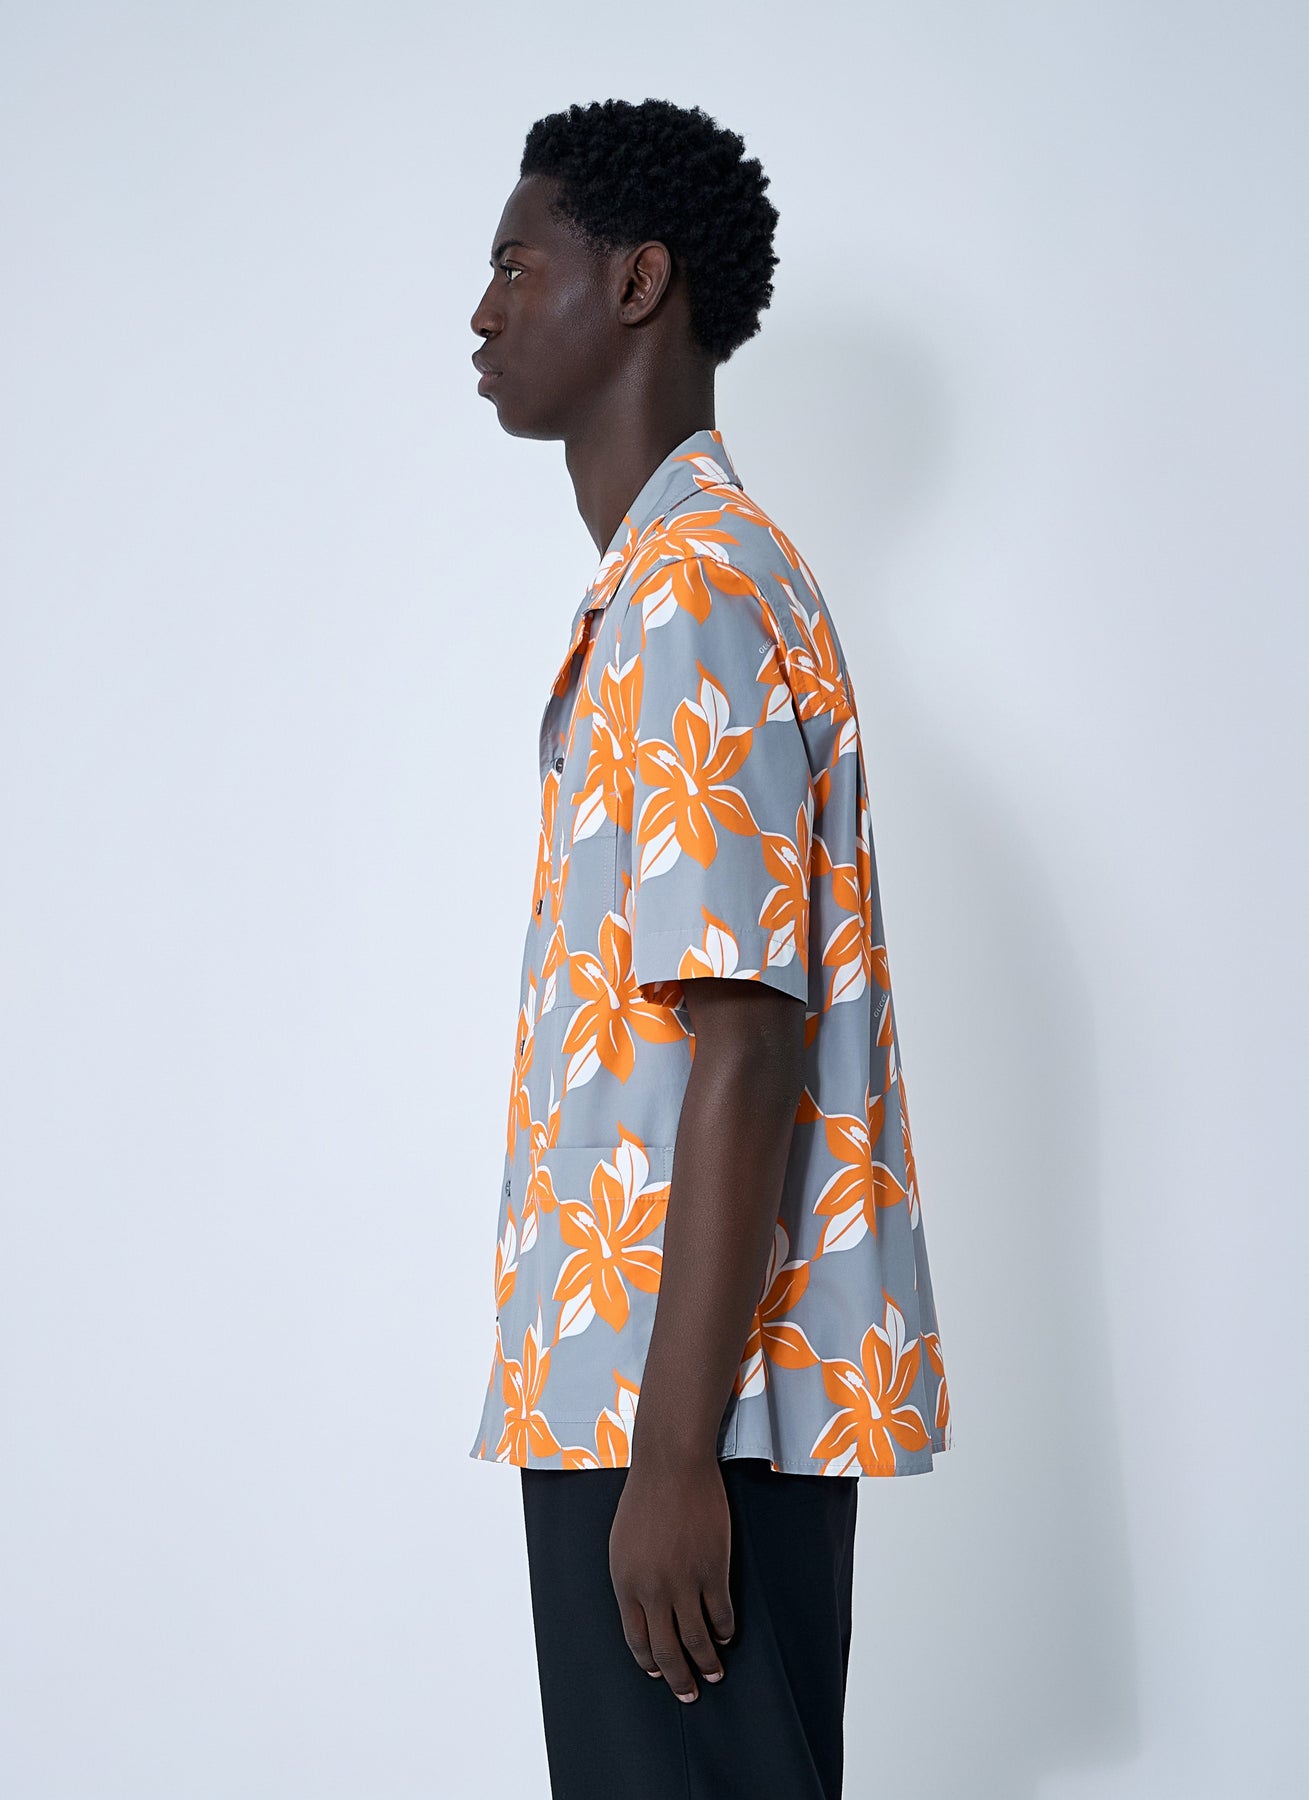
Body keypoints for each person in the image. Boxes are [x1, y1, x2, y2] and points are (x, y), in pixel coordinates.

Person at [465, 96, 952, 1800]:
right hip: (655, 1395)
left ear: (637, 283)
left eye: (515, 266)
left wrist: (670, 1459)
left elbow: (745, 1038)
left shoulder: (694, 591)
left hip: (682, 1413)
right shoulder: (672, 587)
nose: (479, 312)